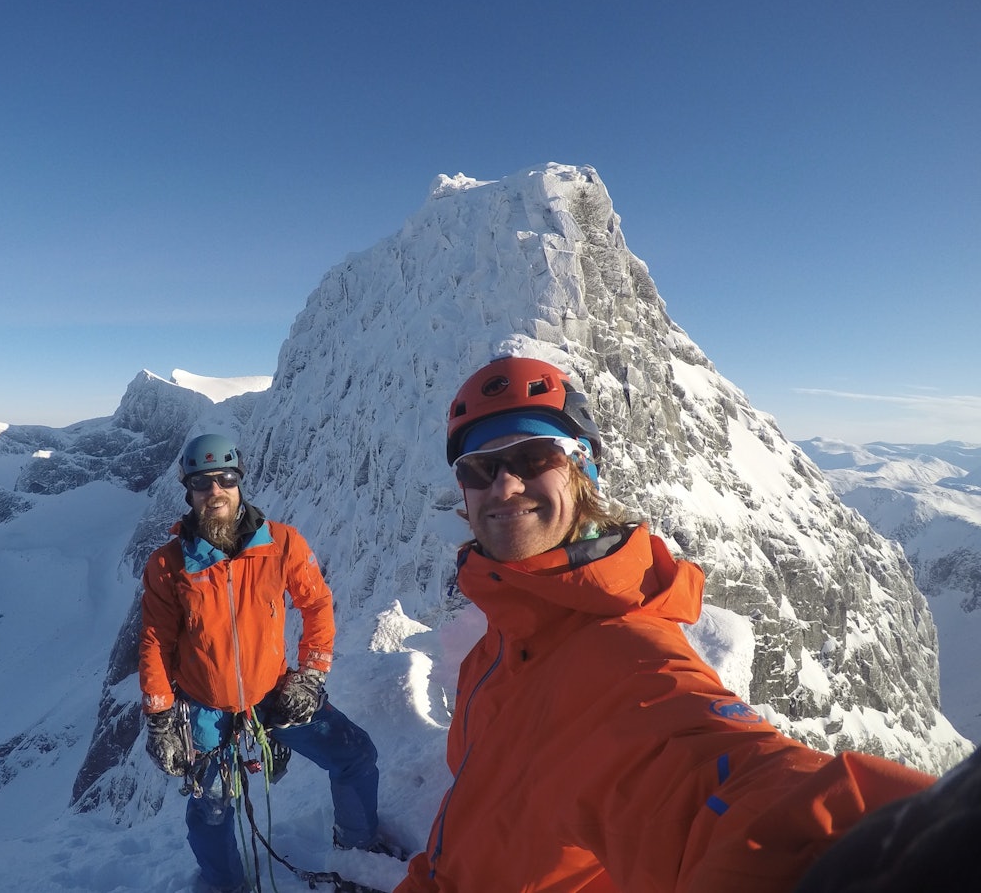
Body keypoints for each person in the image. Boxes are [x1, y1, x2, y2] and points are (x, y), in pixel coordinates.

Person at [394, 354, 967, 893]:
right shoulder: (502, 642)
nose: (504, 484)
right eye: (480, 467)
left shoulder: (622, 653)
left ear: (583, 472)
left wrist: (892, 855)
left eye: (534, 458)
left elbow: (723, 781)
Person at [139, 433, 396, 893]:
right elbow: (156, 640)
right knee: (212, 809)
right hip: (206, 709)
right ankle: (226, 885)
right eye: (202, 482)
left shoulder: (281, 543)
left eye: (225, 479)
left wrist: (311, 675)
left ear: (240, 483)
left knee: (355, 755)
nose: (214, 490)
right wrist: (160, 717)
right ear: (188, 490)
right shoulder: (168, 564)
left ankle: (357, 849)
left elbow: (316, 605)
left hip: (275, 695)